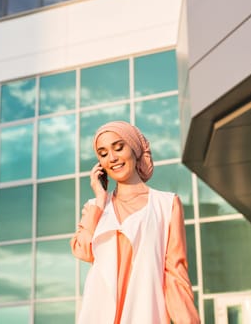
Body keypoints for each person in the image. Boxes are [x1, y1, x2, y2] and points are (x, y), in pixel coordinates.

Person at [70, 121, 200, 324]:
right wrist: (99, 200)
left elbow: (175, 275)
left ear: (135, 149)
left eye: (118, 147)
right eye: (103, 154)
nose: (112, 158)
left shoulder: (166, 205)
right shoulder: (95, 206)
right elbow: (83, 251)